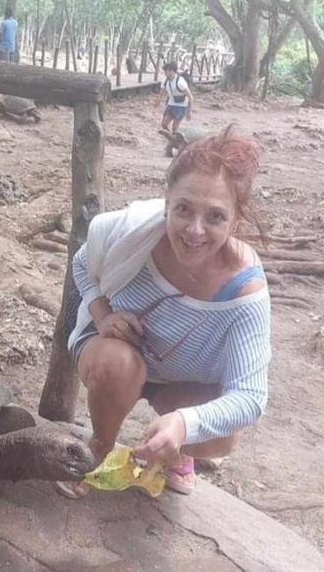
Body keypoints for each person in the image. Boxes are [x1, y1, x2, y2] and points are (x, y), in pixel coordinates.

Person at [59, 126, 271, 498]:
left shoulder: (244, 290)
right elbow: (81, 263)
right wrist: (102, 315)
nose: (195, 230)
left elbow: (250, 396)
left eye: (216, 217)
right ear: (167, 202)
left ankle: (175, 451)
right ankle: (100, 447)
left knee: (222, 434)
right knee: (118, 365)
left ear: (236, 220)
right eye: (184, 209)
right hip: (117, 352)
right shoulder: (131, 234)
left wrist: (185, 424)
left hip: (182, 378)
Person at [158, 60, 194, 133]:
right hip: (171, 104)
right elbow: (161, 93)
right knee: (164, 124)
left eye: (166, 71)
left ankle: (174, 138)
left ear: (172, 71)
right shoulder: (165, 81)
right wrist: (156, 104)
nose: (165, 73)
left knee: (175, 127)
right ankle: (171, 137)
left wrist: (189, 111)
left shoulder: (181, 82)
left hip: (182, 106)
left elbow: (190, 97)